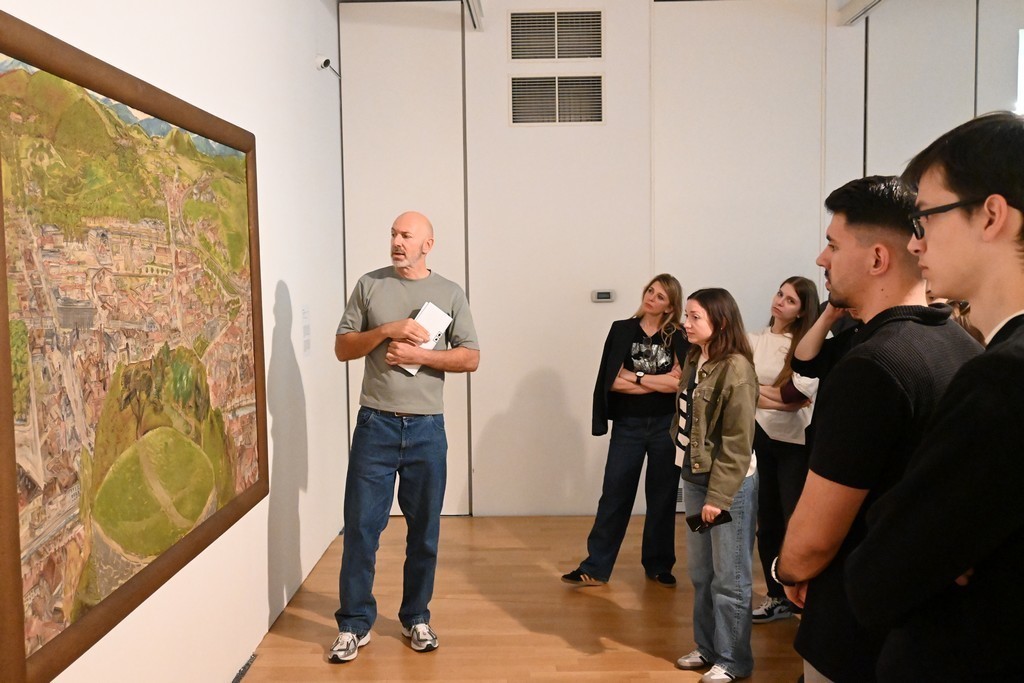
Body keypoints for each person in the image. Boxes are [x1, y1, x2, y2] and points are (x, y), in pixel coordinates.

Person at [772, 176, 981, 682]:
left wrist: (788, 569)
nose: (821, 259)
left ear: (877, 258)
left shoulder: (873, 366)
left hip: (857, 626)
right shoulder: (966, 349)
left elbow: (815, 538)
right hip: (930, 624)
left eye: (833, 244)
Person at [846, 111, 1024, 681]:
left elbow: (878, 578)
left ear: (991, 215)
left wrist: (903, 526)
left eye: (925, 217)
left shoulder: (1003, 378)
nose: (914, 241)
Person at [328, 211, 480, 663]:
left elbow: (471, 357)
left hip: (427, 429)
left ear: (427, 245)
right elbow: (342, 348)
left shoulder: (450, 293)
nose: (397, 241)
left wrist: (420, 356)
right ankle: (354, 624)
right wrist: (386, 331)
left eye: (406, 235)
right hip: (375, 425)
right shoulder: (369, 285)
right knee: (360, 530)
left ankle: (416, 617)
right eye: (393, 234)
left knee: (425, 532)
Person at [562, 275, 688, 587]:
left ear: (670, 306)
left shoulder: (678, 335)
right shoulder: (622, 330)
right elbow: (612, 381)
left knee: (662, 497)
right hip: (628, 425)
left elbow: (679, 384)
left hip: (666, 426)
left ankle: (659, 564)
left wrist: (636, 376)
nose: (651, 298)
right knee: (615, 494)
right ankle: (595, 566)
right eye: (650, 291)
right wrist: (656, 381)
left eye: (660, 296)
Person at [672, 288, 758, 683]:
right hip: (695, 478)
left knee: (730, 578)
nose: (685, 324)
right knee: (702, 574)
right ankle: (707, 647)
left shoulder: (736, 369)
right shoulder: (696, 357)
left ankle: (733, 659)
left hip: (728, 485)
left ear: (720, 323)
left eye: (694, 317)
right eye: (686, 316)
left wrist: (719, 497)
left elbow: (738, 443)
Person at [747, 277, 819, 624]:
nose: (780, 301)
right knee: (768, 523)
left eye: (790, 300)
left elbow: (797, 397)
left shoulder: (807, 346)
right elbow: (745, 389)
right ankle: (776, 596)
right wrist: (776, 396)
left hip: (793, 444)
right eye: (780, 294)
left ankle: (803, 596)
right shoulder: (754, 339)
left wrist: (760, 392)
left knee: (795, 522)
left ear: (803, 310)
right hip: (758, 438)